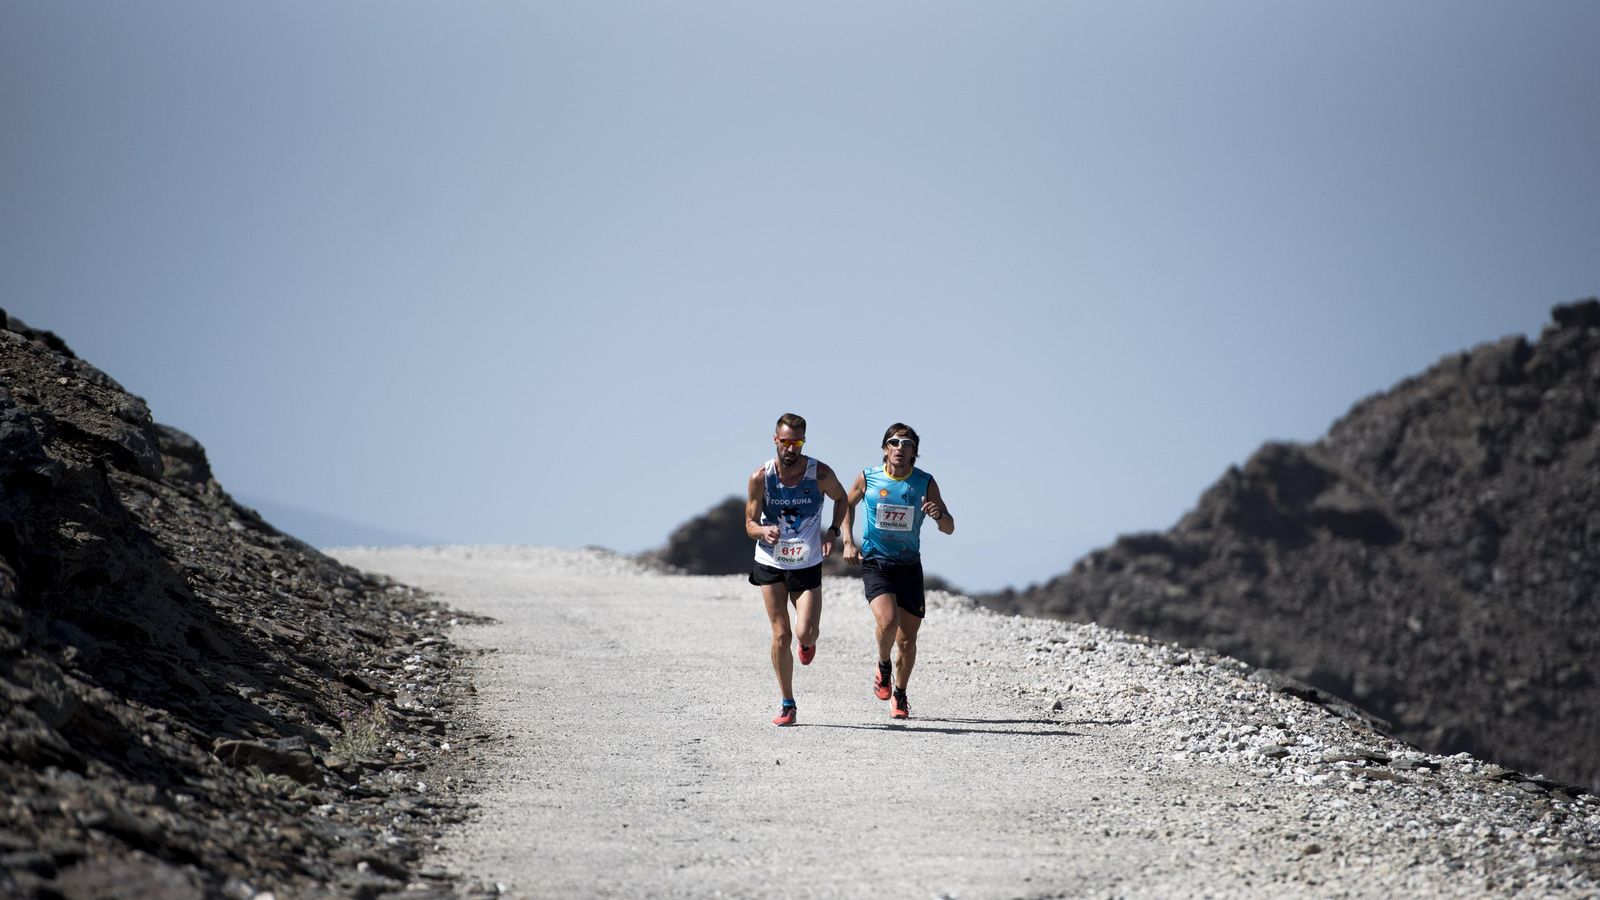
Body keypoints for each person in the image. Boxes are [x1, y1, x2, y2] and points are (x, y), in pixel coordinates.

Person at [840, 423, 955, 720]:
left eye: (906, 444)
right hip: (876, 561)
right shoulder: (868, 477)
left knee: (907, 641)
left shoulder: (924, 483)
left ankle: (901, 694)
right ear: (884, 448)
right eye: (894, 442)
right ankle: (883, 666)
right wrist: (848, 541)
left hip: (909, 566)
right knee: (888, 622)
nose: (899, 448)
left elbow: (949, 528)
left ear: (914, 452)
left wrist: (938, 514)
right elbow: (844, 505)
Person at [747, 413, 848, 726]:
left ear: (803, 441)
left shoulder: (819, 474)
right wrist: (763, 532)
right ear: (776, 440)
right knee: (781, 634)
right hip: (770, 562)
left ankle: (808, 642)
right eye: (786, 441)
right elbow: (749, 524)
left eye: (797, 442)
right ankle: (787, 702)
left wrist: (833, 532)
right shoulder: (760, 477)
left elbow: (842, 498)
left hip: (806, 564)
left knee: (804, 632)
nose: (791, 448)